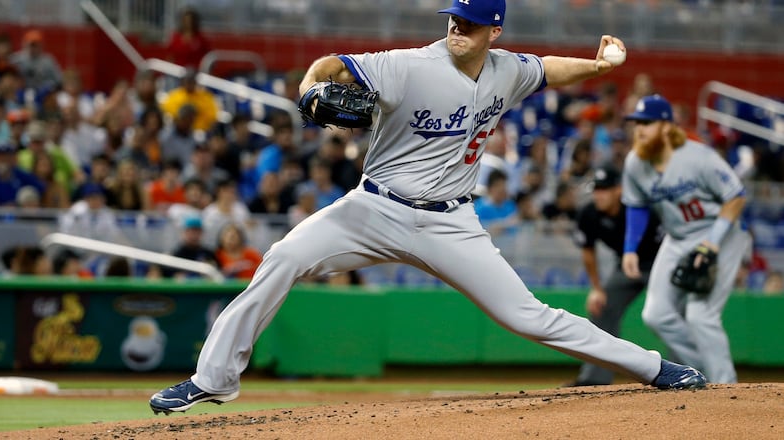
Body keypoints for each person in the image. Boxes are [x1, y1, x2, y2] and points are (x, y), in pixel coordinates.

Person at [149, 0, 706, 415]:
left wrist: (598, 67)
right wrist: (308, 86)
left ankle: (655, 369)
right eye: (452, 19)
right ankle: (212, 378)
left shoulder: (507, 70)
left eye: (469, 22)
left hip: (452, 223)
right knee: (282, 256)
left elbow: (548, 68)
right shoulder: (408, 66)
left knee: (527, 317)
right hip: (373, 209)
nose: (456, 28)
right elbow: (331, 65)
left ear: (495, 29)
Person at [620, 94, 751, 384]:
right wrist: (630, 249)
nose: (639, 130)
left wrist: (713, 243)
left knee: (700, 314)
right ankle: (699, 372)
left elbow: (736, 197)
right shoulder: (635, 163)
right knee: (656, 314)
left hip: (721, 232)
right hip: (678, 238)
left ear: (666, 126)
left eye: (647, 123)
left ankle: (726, 385)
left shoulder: (698, 156)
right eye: (636, 123)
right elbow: (637, 205)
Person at [565, 165, 662, 387]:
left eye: (605, 189)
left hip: (660, 264)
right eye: (596, 189)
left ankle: (683, 370)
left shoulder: (639, 209)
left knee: (668, 314)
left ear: (618, 190)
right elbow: (588, 252)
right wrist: (597, 288)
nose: (599, 195)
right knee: (602, 306)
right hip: (627, 267)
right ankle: (594, 378)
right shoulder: (589, 214)